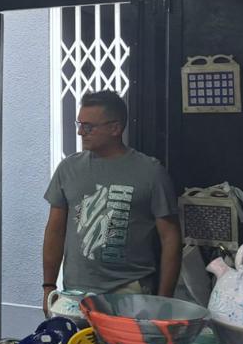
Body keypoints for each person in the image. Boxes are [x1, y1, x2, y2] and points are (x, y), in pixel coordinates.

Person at [42, 90, 181, 308]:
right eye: (79, 124)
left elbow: (170, 238)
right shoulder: (68, 168)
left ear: (115, 128)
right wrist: (49, 286)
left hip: (131, 292)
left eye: (88, 127)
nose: (80, 132)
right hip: (77, 292)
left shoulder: (150, 172)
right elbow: (55, 230)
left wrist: (164, 301)